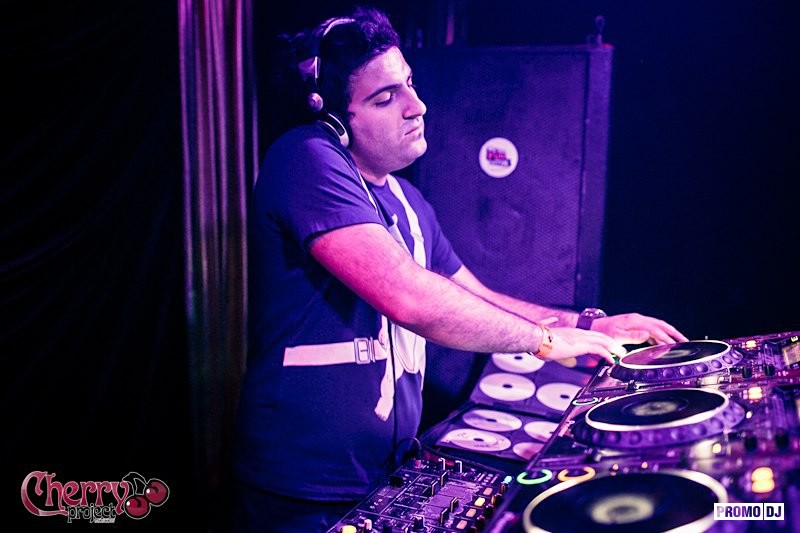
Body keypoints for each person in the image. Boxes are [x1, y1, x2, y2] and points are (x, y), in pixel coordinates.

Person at [231, 6, 688, 532]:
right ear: (334, 118)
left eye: (409, 84)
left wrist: (586, 325)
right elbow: (410, 297)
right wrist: (543, 341)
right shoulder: (305, 157)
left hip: (382, 480)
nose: (416, 106)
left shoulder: (409, 202)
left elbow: (474, 297)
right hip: (302, 493)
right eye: (385, 98)